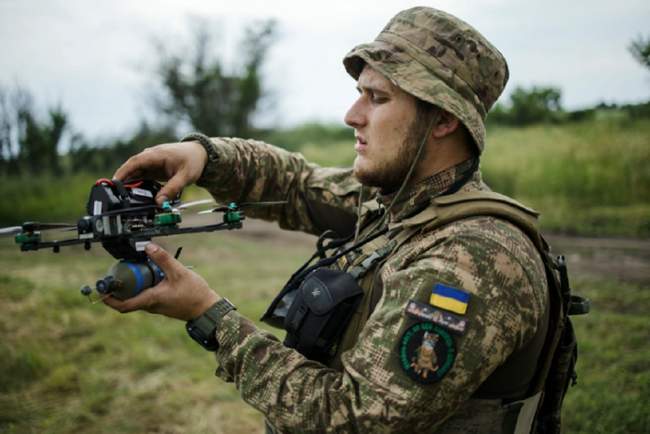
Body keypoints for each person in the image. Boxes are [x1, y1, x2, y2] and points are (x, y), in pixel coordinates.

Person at [105, 7, 553, 434]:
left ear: (442, 121)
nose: (352, 116)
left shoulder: (472, 259)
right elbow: (296, 184)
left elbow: (351, 419)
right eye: (360, 92)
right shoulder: (403, 204)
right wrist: (205, 156)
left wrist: (209, 317)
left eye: (378, 98)